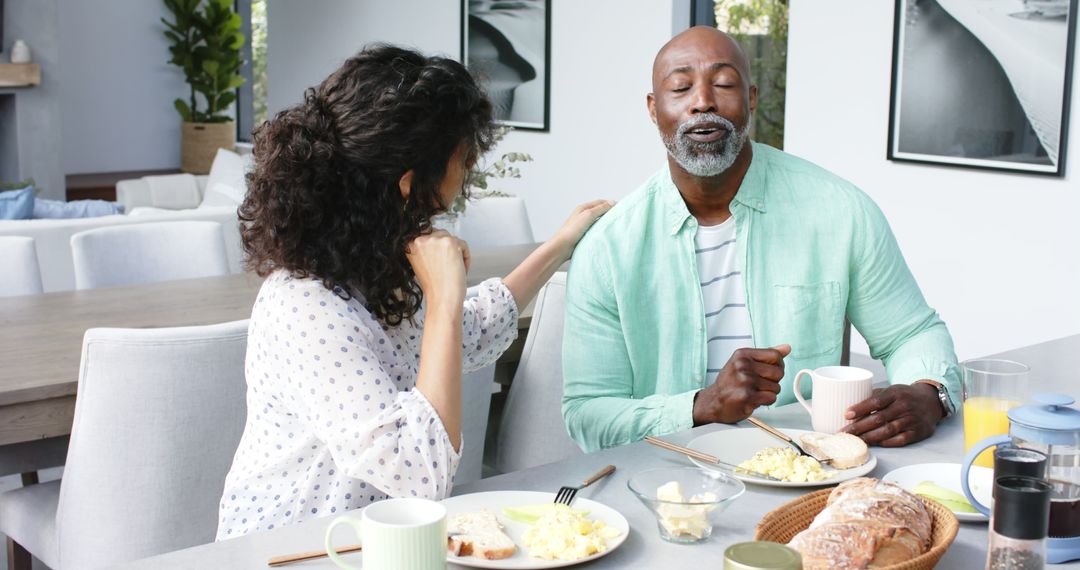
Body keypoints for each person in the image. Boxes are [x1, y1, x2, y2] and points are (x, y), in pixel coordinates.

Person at [216, 44, 611, 539]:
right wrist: (444, 298)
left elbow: (472, 333)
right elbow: (419, 473)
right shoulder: (306, 305)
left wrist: (558, 245)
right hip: (292, 548)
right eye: (463, 160)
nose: (467, 177)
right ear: (409, 182)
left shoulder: (376, 267)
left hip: (373, 542)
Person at [561, 26, 960, 454]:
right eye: (680, 87)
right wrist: (701, 405)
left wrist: (930, 392)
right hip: (660, 479)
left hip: (807, 469)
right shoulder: (608, 248)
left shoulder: (839, 210)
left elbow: (911, 332)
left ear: (751, 98)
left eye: (724, 84)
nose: (703, 102)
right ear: (653, 108)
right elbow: (588, 414)